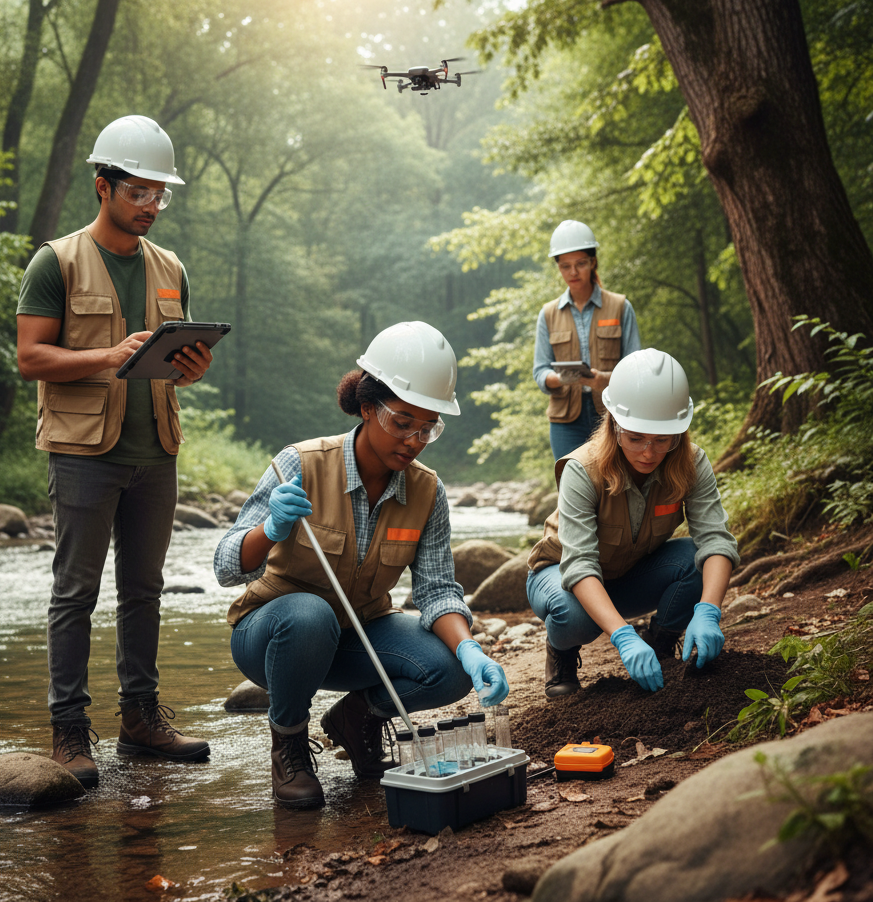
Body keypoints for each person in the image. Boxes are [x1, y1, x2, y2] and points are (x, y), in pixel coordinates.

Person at [213, 321, 510, 810]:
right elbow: (227, 566)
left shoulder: (428, 492)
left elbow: (437, 591)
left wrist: (472, 649)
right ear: (368, 407)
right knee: (309, 614)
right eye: (402, 422)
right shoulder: (300, 465)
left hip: (359, 636)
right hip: (273, 635)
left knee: (451, 669)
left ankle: (358, 718)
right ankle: (289, 743)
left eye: (428, 427)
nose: (414, 440)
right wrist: (270, 531)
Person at [16, 115, 214, 788]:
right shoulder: (56, 262)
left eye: (161, 194)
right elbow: (30, 357)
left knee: (145, 590)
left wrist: (188, 367)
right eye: (140, 192)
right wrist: (106, 354)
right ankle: (69, 732)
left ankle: (140, 719)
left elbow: (171, 362)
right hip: (82, 454)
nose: (153, 206)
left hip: (156, 450)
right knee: (75, 593)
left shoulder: (171, 269)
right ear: (103, 187)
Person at [524, 348, 740, 698]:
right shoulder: (582, 469)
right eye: (635, 437)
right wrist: (622, 636)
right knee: (573, 617)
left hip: (629, 575)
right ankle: (561, 651)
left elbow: (716, 540)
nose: (648, 453)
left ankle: (660, 644)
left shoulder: (691, 462)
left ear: (679, 431)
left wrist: (709, 610)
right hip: (561, 575)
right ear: (613, 422)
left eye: (662, 440)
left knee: (696, 560)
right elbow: (579, 565)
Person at [533, 220, 641, 461]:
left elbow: (636, 370)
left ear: (593, 262)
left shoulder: (621, 307)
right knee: (572, 489)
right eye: (565, 266)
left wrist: (603, 380)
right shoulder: (548, 314)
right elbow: (540, 370)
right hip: (565, 423)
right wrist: (558, 378)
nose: (573, 272)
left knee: (614, 489)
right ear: (558, 267)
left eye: (580, 264)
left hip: (614, 414)